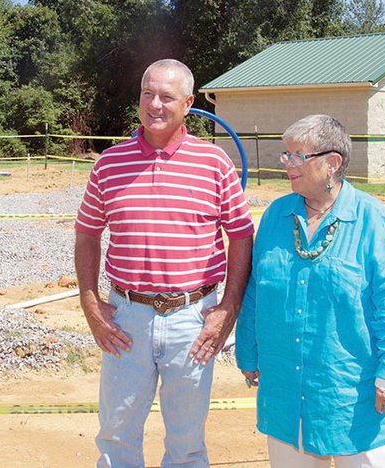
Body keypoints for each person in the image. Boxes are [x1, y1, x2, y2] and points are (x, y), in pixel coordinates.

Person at [75, 59, 254, 467]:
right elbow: (87, 234)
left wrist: (228, 308)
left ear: (189, 103)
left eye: (167, 96)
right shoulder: (109, 164)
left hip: (193, 321)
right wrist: (90, 303)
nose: (155, 104)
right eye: (147, 94)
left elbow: (242, 236)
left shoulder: (214, 164)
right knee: (117, 439)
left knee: (187, 445)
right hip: (125, 320)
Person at [236, 114, 385, 467]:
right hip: (287, 395)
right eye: (285, 155)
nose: (287, 164)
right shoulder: (276, 216)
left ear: (332, 163)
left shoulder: (372, 220)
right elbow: (257, 289)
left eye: (297, 156)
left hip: (355, 397)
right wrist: (248, 351)